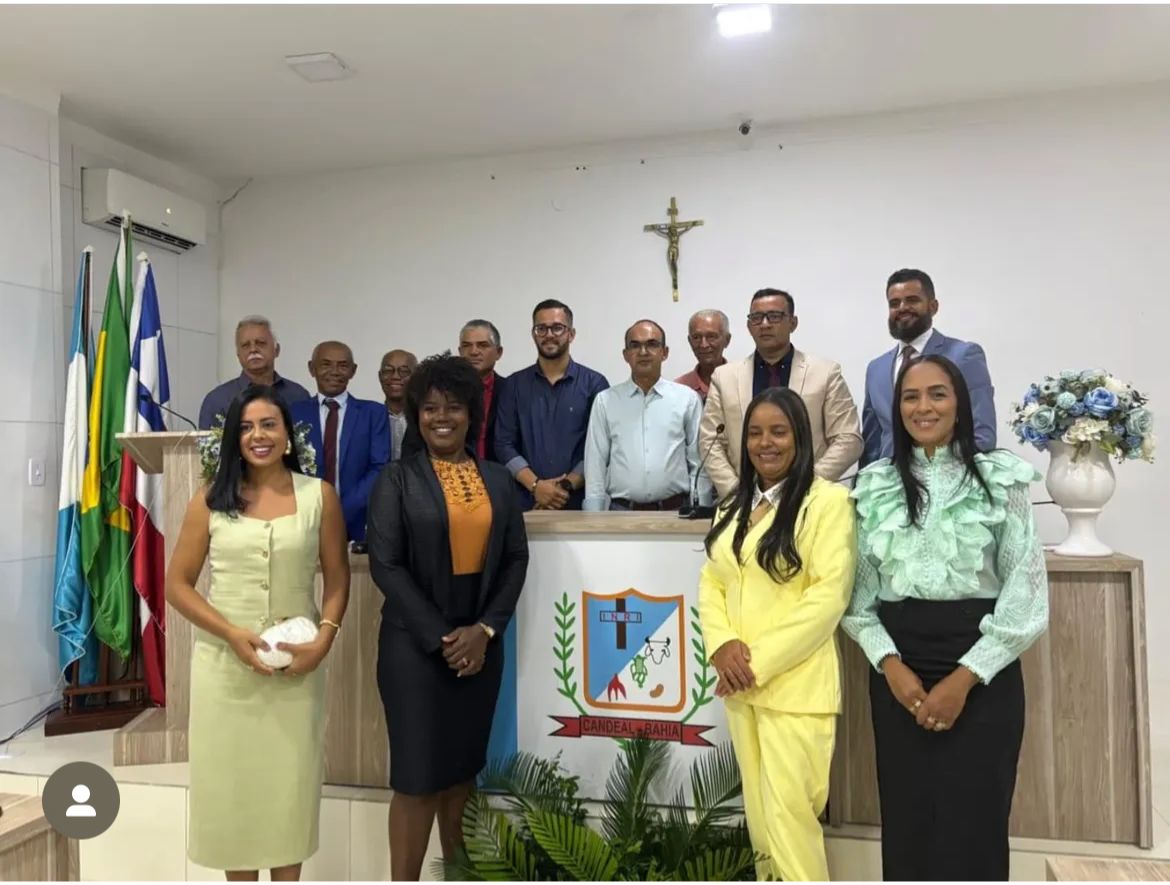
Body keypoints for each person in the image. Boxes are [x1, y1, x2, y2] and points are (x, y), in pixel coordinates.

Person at [841, 354, 1048, 881]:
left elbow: (1026, 595)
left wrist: (964, 678)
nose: (923, 406)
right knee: (909, 820)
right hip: (897, 671)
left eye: (938, 393)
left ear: (960, 403)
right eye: (910, 396)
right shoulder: (875, 485)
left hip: (982, 671)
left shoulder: (1001, 478)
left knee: (974, 819)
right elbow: (858, 602)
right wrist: (891, 666)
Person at [167, 385, 350, 881]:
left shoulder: (319, 497)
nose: (258, 435)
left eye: (269, 424)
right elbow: (176, 586)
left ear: (288, 436)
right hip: (225, 675)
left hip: (297, 669)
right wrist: (230, 633)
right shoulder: (209, 500)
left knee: (287, 794)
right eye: (246, 428)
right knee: (235, 798)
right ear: (234, 439)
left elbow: (337, 579)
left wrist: (324, 640)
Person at [367, 354, 529, 881]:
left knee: (461, 776)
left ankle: (457, 876)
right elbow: (386, 566)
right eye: (431, 407)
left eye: (454, 407)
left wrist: (484, 631)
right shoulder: (395, 479)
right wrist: (444, 638)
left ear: (471, 414)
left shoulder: (498, 480)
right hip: (415, 651)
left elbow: (514, 559)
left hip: (481, 649)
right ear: (416, 415)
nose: (442, 417)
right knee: (417, 780)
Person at [698, 387, 856, 882]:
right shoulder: (733, 507)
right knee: (762, 826)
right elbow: (712, 581)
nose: (766, 443)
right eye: (756, 433)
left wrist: (754, 663)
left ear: (800, 438)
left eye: (779, 431)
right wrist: (721, 645)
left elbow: (828, 598)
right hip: (742, 692)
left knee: (791, 821)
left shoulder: (827, 503)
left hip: (794, 691)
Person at [700, 288, 862, 499]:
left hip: (807, 499)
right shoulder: (724, 377)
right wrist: (735, 491)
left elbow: (849, 438)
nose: (765, 324)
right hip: (744, 501)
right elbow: (709, 441)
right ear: (749, 326)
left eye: (774, 316)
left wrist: (806, 486)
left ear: (793, 323)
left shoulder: (825, 373)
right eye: (757, 318)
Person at [861, 268, 997, 466]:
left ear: (933, 306)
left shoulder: (964, 355)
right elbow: (872, 444)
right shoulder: (876, 369)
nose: (902, 308)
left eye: (912, 300)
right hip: (890, 485)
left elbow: (982, 434)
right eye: (894, 303)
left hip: (951, 481)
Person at [493, 299, 608, 510]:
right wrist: (536, 486)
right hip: (527, 504)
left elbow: (600, 446)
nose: (549, 334)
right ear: (533, 334)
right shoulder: (514, 386)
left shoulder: (595, 384)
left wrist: (564, 487)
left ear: (571, 334)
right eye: (541, 328)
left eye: (557, 328)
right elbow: (503, 444)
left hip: (578, 504)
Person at [583, 319, 709, 511]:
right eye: (635, 346)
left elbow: (698, 461)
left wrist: (702, 509)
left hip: (675, 512)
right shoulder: (605, 401)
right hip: (621, 513)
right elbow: (595, 462)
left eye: (652, 344)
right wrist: (593, 516)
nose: (643, 352)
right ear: (626, 355)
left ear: (664, 352)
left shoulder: (687, 399)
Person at [290, 340, 390, 544]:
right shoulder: (293, 413)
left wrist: (340, 511)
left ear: (353, 371)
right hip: (302, 521)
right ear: (312, 368)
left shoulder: (373, 414)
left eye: (342, 365)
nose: (335, 371)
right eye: (326, 364)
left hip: (357, 525)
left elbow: (379, 467)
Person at [198, 316, 312, 429]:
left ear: (276, 350)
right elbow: (206, 446)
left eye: (261, 343)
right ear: (238, 355)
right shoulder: (217, 400)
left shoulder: (298, 395)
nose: (253, 349)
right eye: (245, 345)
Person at [675, 308, 731, 402]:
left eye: (711, 336)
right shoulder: (678, 388)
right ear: (689, 342)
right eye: (696, 337)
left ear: (727, 340)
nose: (703, 345)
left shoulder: (741, 383)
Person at [379, 349, 418, 461]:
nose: (395, 376)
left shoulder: (425, 419)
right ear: (380, 376)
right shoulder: (368, 419)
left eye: (404, 371)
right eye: (388, 371)